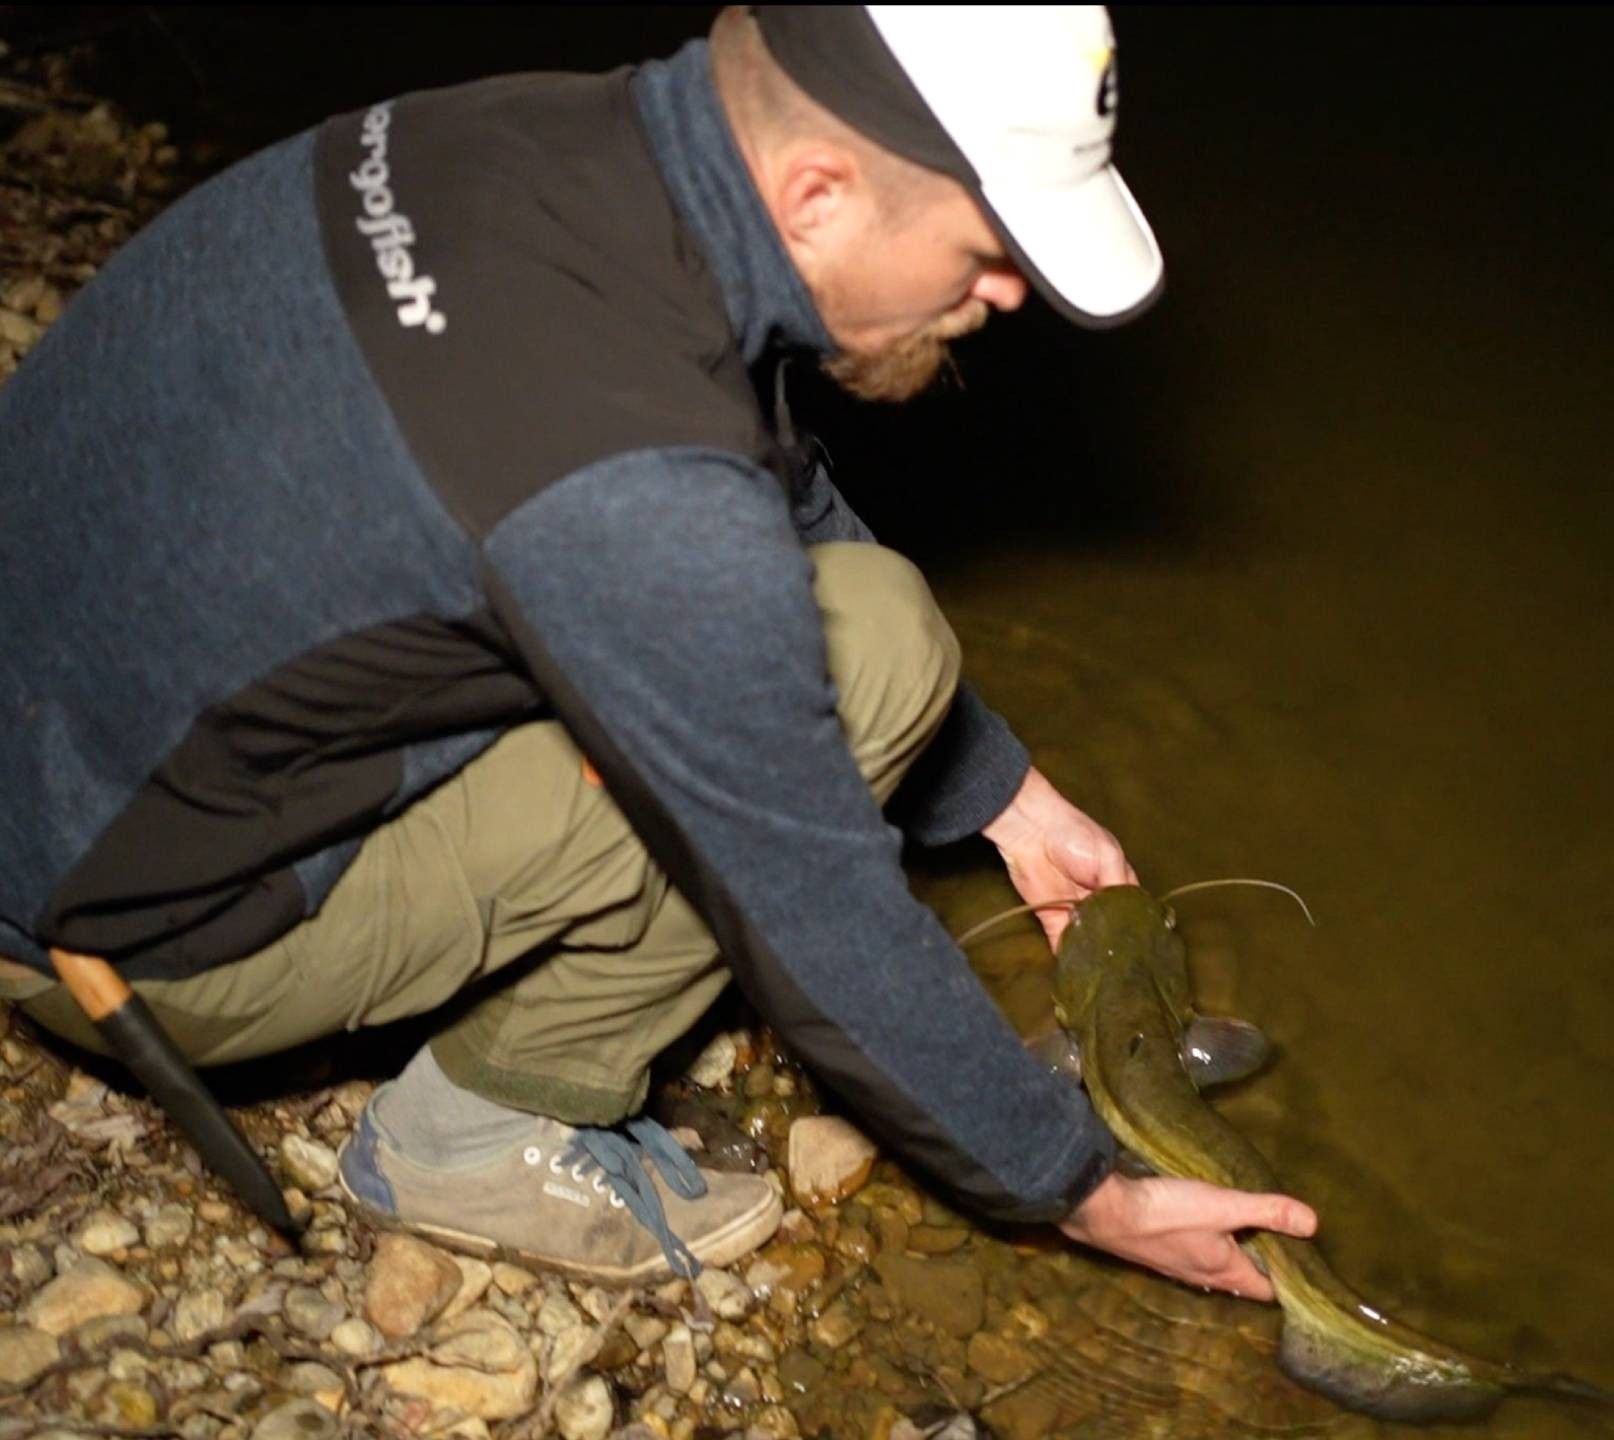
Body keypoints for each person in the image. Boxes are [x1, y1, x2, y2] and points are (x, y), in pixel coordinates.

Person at [0, 5, 1314, 1299]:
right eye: (985, 250)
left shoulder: (548, 142)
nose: (1005, 293)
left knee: (810, 621)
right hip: (123, 930)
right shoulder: (635, 490)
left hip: (62, 734)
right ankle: (475, 1136)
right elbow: (814, 912)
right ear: (817, 194)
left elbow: (764, 475)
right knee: (874, 659)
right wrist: (1084, 1188)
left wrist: (1008, 802)